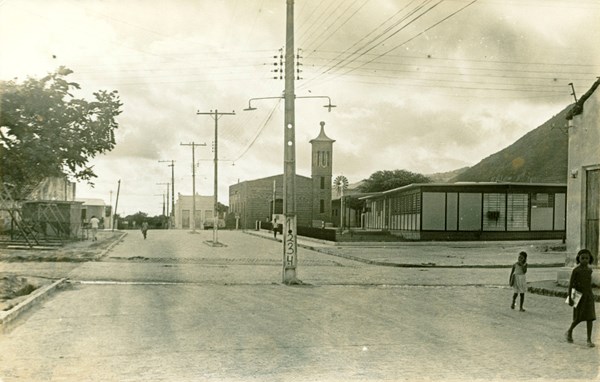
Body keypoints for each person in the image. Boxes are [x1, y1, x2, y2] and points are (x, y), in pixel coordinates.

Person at [566, 249, 596, 347]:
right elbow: (571, 285)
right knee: (578, 318)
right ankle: (570, 331)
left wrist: (591, 295)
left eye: (587, 258)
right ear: (578, 258)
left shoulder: (589, 270)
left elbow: (589, 284)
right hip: (579, 296)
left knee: (590, 318)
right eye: (582, 258)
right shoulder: (576, 270)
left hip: (588, 297)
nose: (584, 260)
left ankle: (589, 339)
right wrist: (570, 297)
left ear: (589, 259)